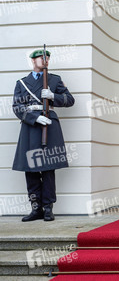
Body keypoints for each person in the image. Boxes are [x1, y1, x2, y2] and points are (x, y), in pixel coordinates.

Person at [12, 49, 75, 222]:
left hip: (49, 124)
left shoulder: (54, 79)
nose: (45, 59)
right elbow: (17, 107)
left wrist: (53, 96)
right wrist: (35, 118)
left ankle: (48, 207)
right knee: (30, 168)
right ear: (33, 60)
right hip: (31, 126)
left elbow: (70, 100)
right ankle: (36, 207)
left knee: (48, 168)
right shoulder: (22, 83)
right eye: (41, 57)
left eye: (47, 57)